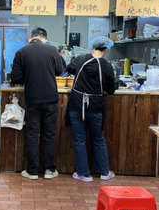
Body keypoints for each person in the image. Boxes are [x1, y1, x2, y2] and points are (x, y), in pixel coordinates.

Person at [9, 27, 66, 180]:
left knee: (33, 134)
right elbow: (60, 71)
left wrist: (28, 75)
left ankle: (32, 171)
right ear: (44, 38)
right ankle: (49, 170)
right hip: (51, 98)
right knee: (49, 134)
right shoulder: (52, 50)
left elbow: (16, 77)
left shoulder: (22, 52)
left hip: (33, 99)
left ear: (31, 37)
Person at [66, 36, 118, 182]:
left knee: (80, 139)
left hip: (77, 105)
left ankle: (83, 174)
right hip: (96, 106)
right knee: (98, 139)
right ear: (106, 49)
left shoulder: (81, 59)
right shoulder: (107, 66)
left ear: (93, 47)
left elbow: (69, 69)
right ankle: (104, 173)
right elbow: (111, 90)